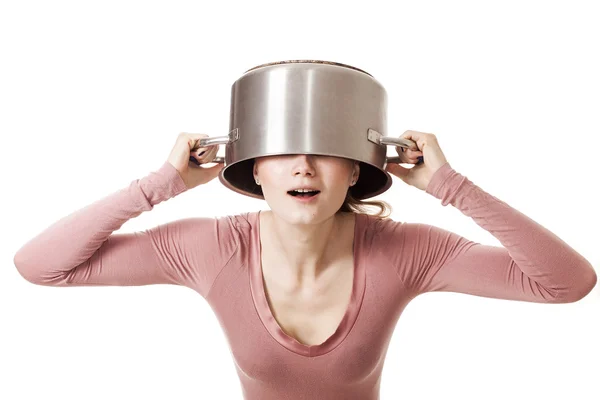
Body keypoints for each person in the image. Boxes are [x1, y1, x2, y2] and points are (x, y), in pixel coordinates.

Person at [13, 130, 597, 400]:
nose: (305, 167)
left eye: (327, 153)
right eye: (284, 151)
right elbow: (42, 266)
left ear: (355, 172)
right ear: (254, 169)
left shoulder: (408, 250)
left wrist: (450, 185)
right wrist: (159, 185)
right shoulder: (212, 248)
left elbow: (567, 284)